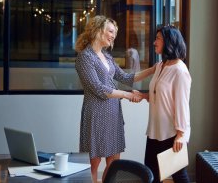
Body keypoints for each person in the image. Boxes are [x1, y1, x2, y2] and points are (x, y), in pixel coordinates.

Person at [74, 16, 155, 183]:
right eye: (111, 31)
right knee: (93, 165)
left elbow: (126, 77)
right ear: (97, 31)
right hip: (95, 114)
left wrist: (153, 69)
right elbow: (98, 88)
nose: (113, 36)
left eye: (115, 33)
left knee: (113, 165)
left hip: (113, 114)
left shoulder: (106, 56)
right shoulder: (85, 57)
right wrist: (127, 95)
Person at [141, 25, 192, 183]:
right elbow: (159, 95)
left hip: (171, 134)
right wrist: (143, 95)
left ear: (169, 42)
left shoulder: (180, 71)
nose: (154, 42)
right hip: (154, 131)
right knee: (150, 174)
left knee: (178, 176)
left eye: (158, 39)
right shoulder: (161, 66)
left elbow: (182, 104)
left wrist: (181, 134)